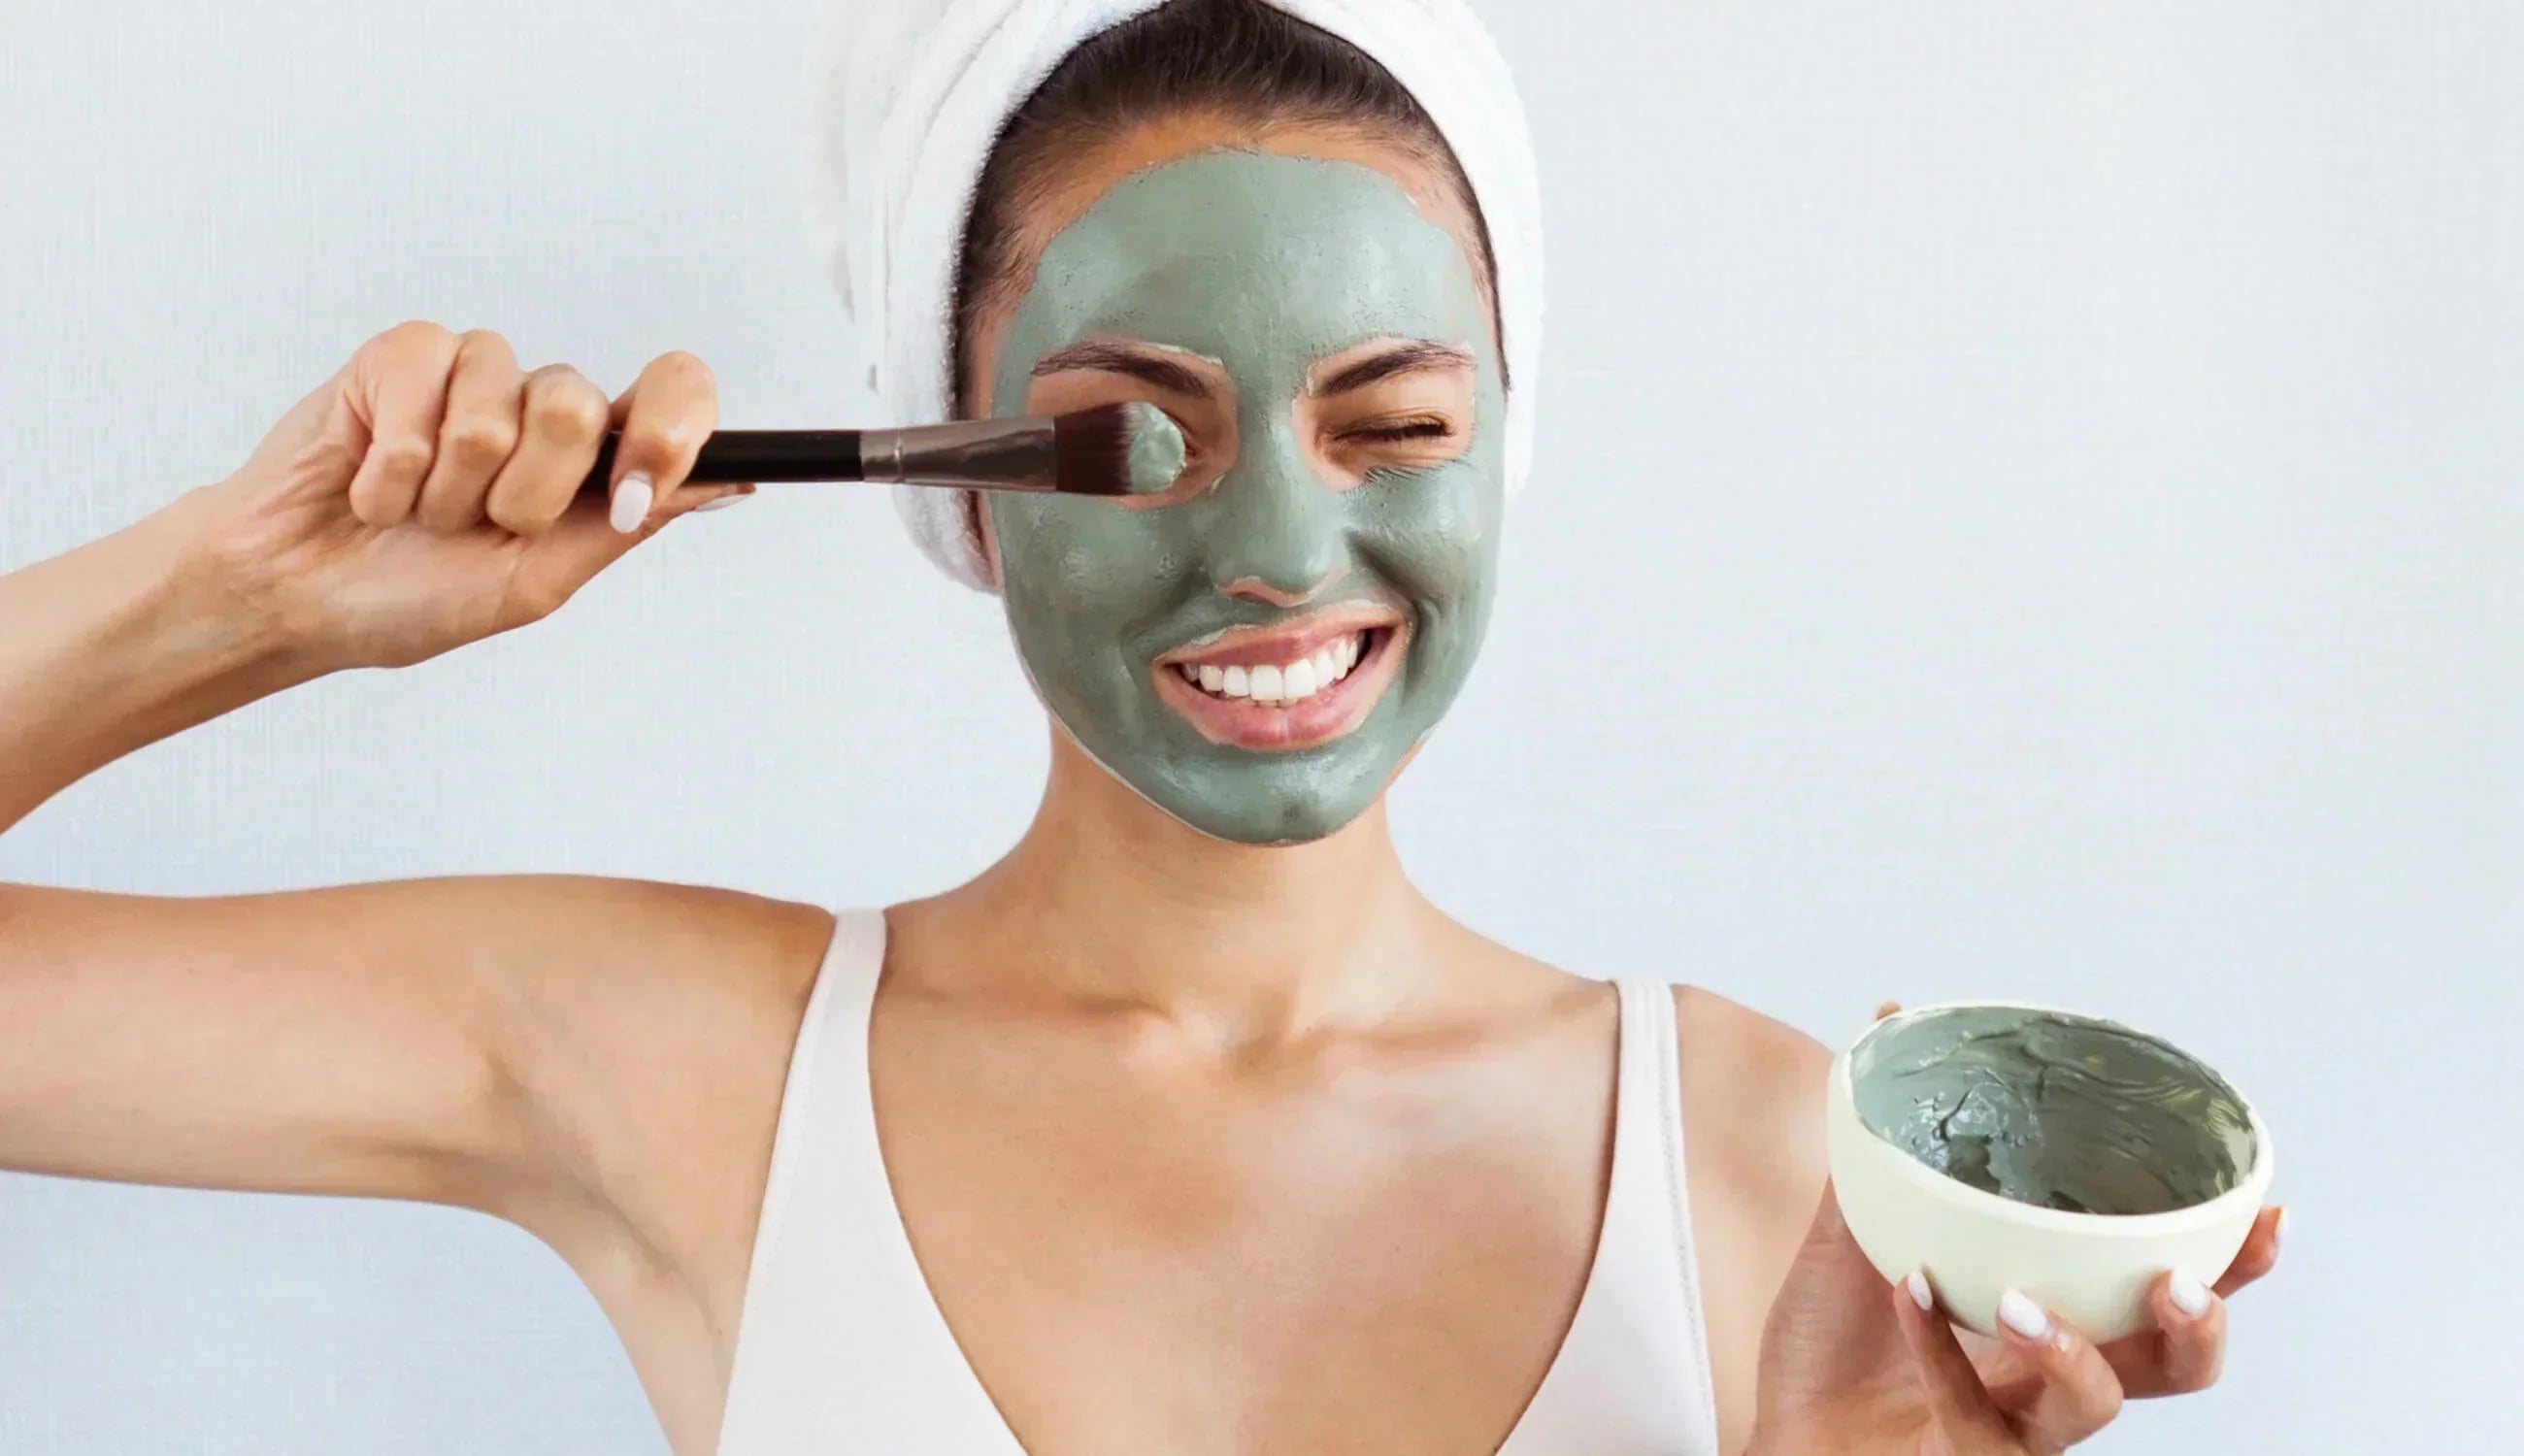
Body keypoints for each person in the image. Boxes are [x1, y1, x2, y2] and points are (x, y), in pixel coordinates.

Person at [0, 2, 2280, 1453]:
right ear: (965, 482)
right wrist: (237, 599)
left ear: (1506, 452)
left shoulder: (1793, 1170)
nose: (1278, 551)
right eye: (1138, 432)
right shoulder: (672, 1059)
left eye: (1393, 422)